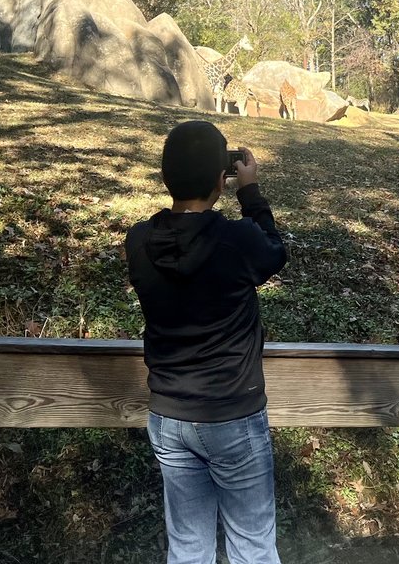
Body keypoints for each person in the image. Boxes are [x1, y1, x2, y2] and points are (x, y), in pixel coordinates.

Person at [126, 120, 288, 564]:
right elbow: (275, 251)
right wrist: (250, 193)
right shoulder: (237, 241)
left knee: (188, 549)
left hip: (169, 416)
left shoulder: (139, 241)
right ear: (222, 179)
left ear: (166, 177)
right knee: (252, 548)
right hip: (233, 413)